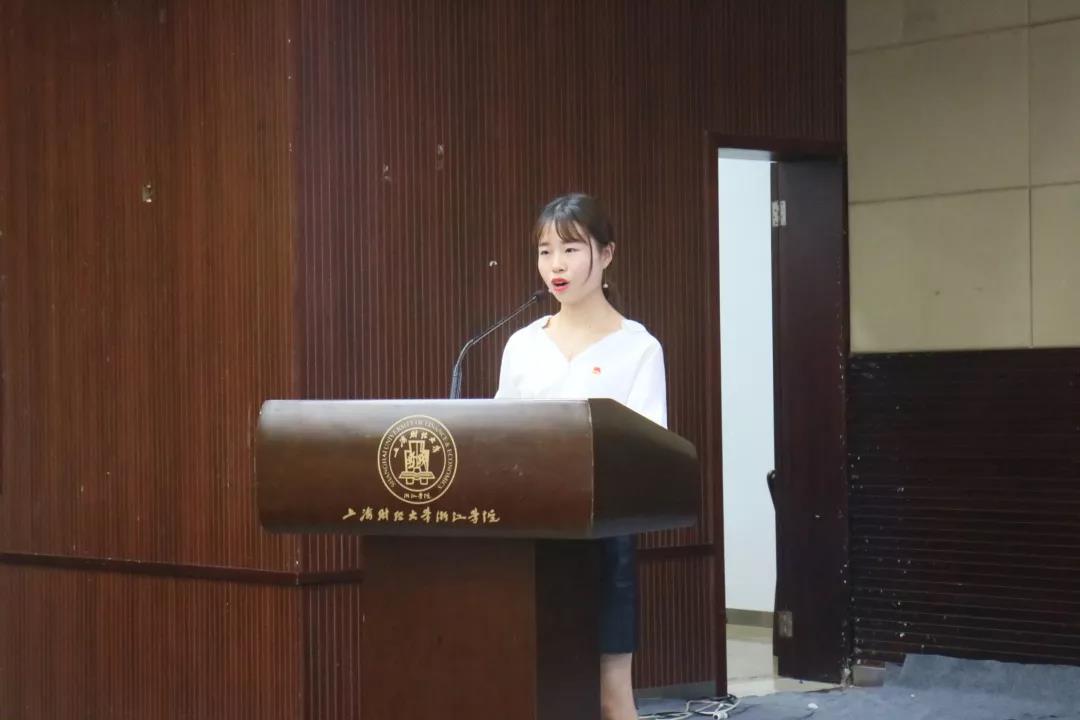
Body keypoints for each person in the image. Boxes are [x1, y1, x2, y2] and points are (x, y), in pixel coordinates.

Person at [495, 193, 667, 720]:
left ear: (607, 254)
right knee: (530, 689)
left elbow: (648, 452)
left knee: (611, 694)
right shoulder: (522, 344)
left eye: (571, 249)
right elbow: (498, 439)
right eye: (545, 251)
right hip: (530, 537)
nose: (557, 265)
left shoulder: (638, 347)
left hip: (603, 541)